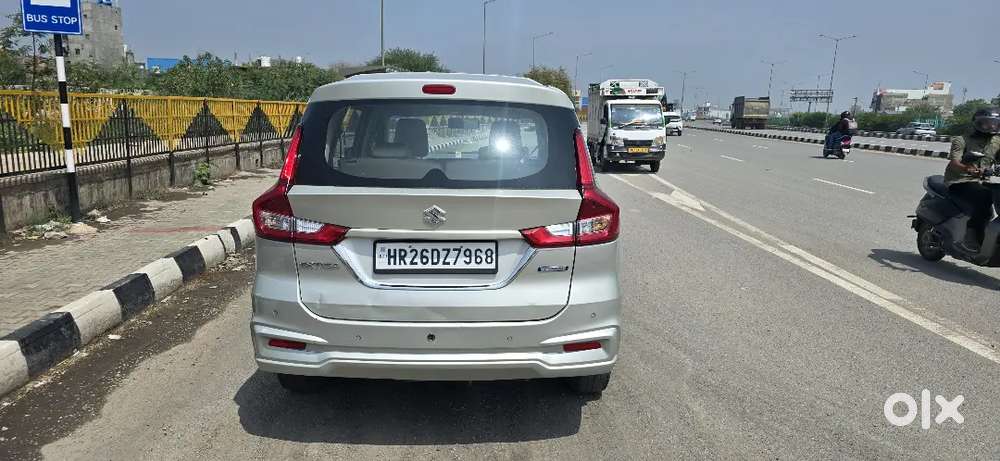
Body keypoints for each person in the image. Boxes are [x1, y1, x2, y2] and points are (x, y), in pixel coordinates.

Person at [945, 107, 1000, 253]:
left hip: (983, 182)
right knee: (985, 197)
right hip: (960, 181)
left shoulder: (997, 141)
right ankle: (971, 238)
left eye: (995, 123)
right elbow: (954, 162)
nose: (991, 126)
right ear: (978, 123)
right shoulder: (962, 140)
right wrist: (969, 169)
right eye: (987, 123)